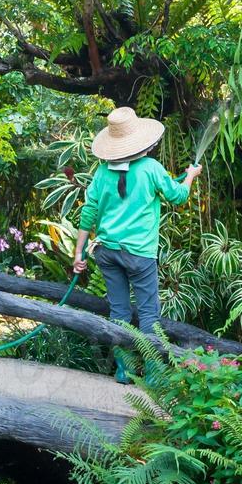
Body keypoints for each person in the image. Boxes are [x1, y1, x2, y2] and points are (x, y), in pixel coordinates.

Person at [73, 107, 201, 337]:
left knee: (119, 312)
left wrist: (78, 252)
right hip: (139, 254)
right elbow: (178, 196)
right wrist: (190, 176)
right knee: (149, 314)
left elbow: (88, 212)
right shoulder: (150, 168)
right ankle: (151, 371)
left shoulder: (102, 172)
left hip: (107, 251)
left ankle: (124, 370)